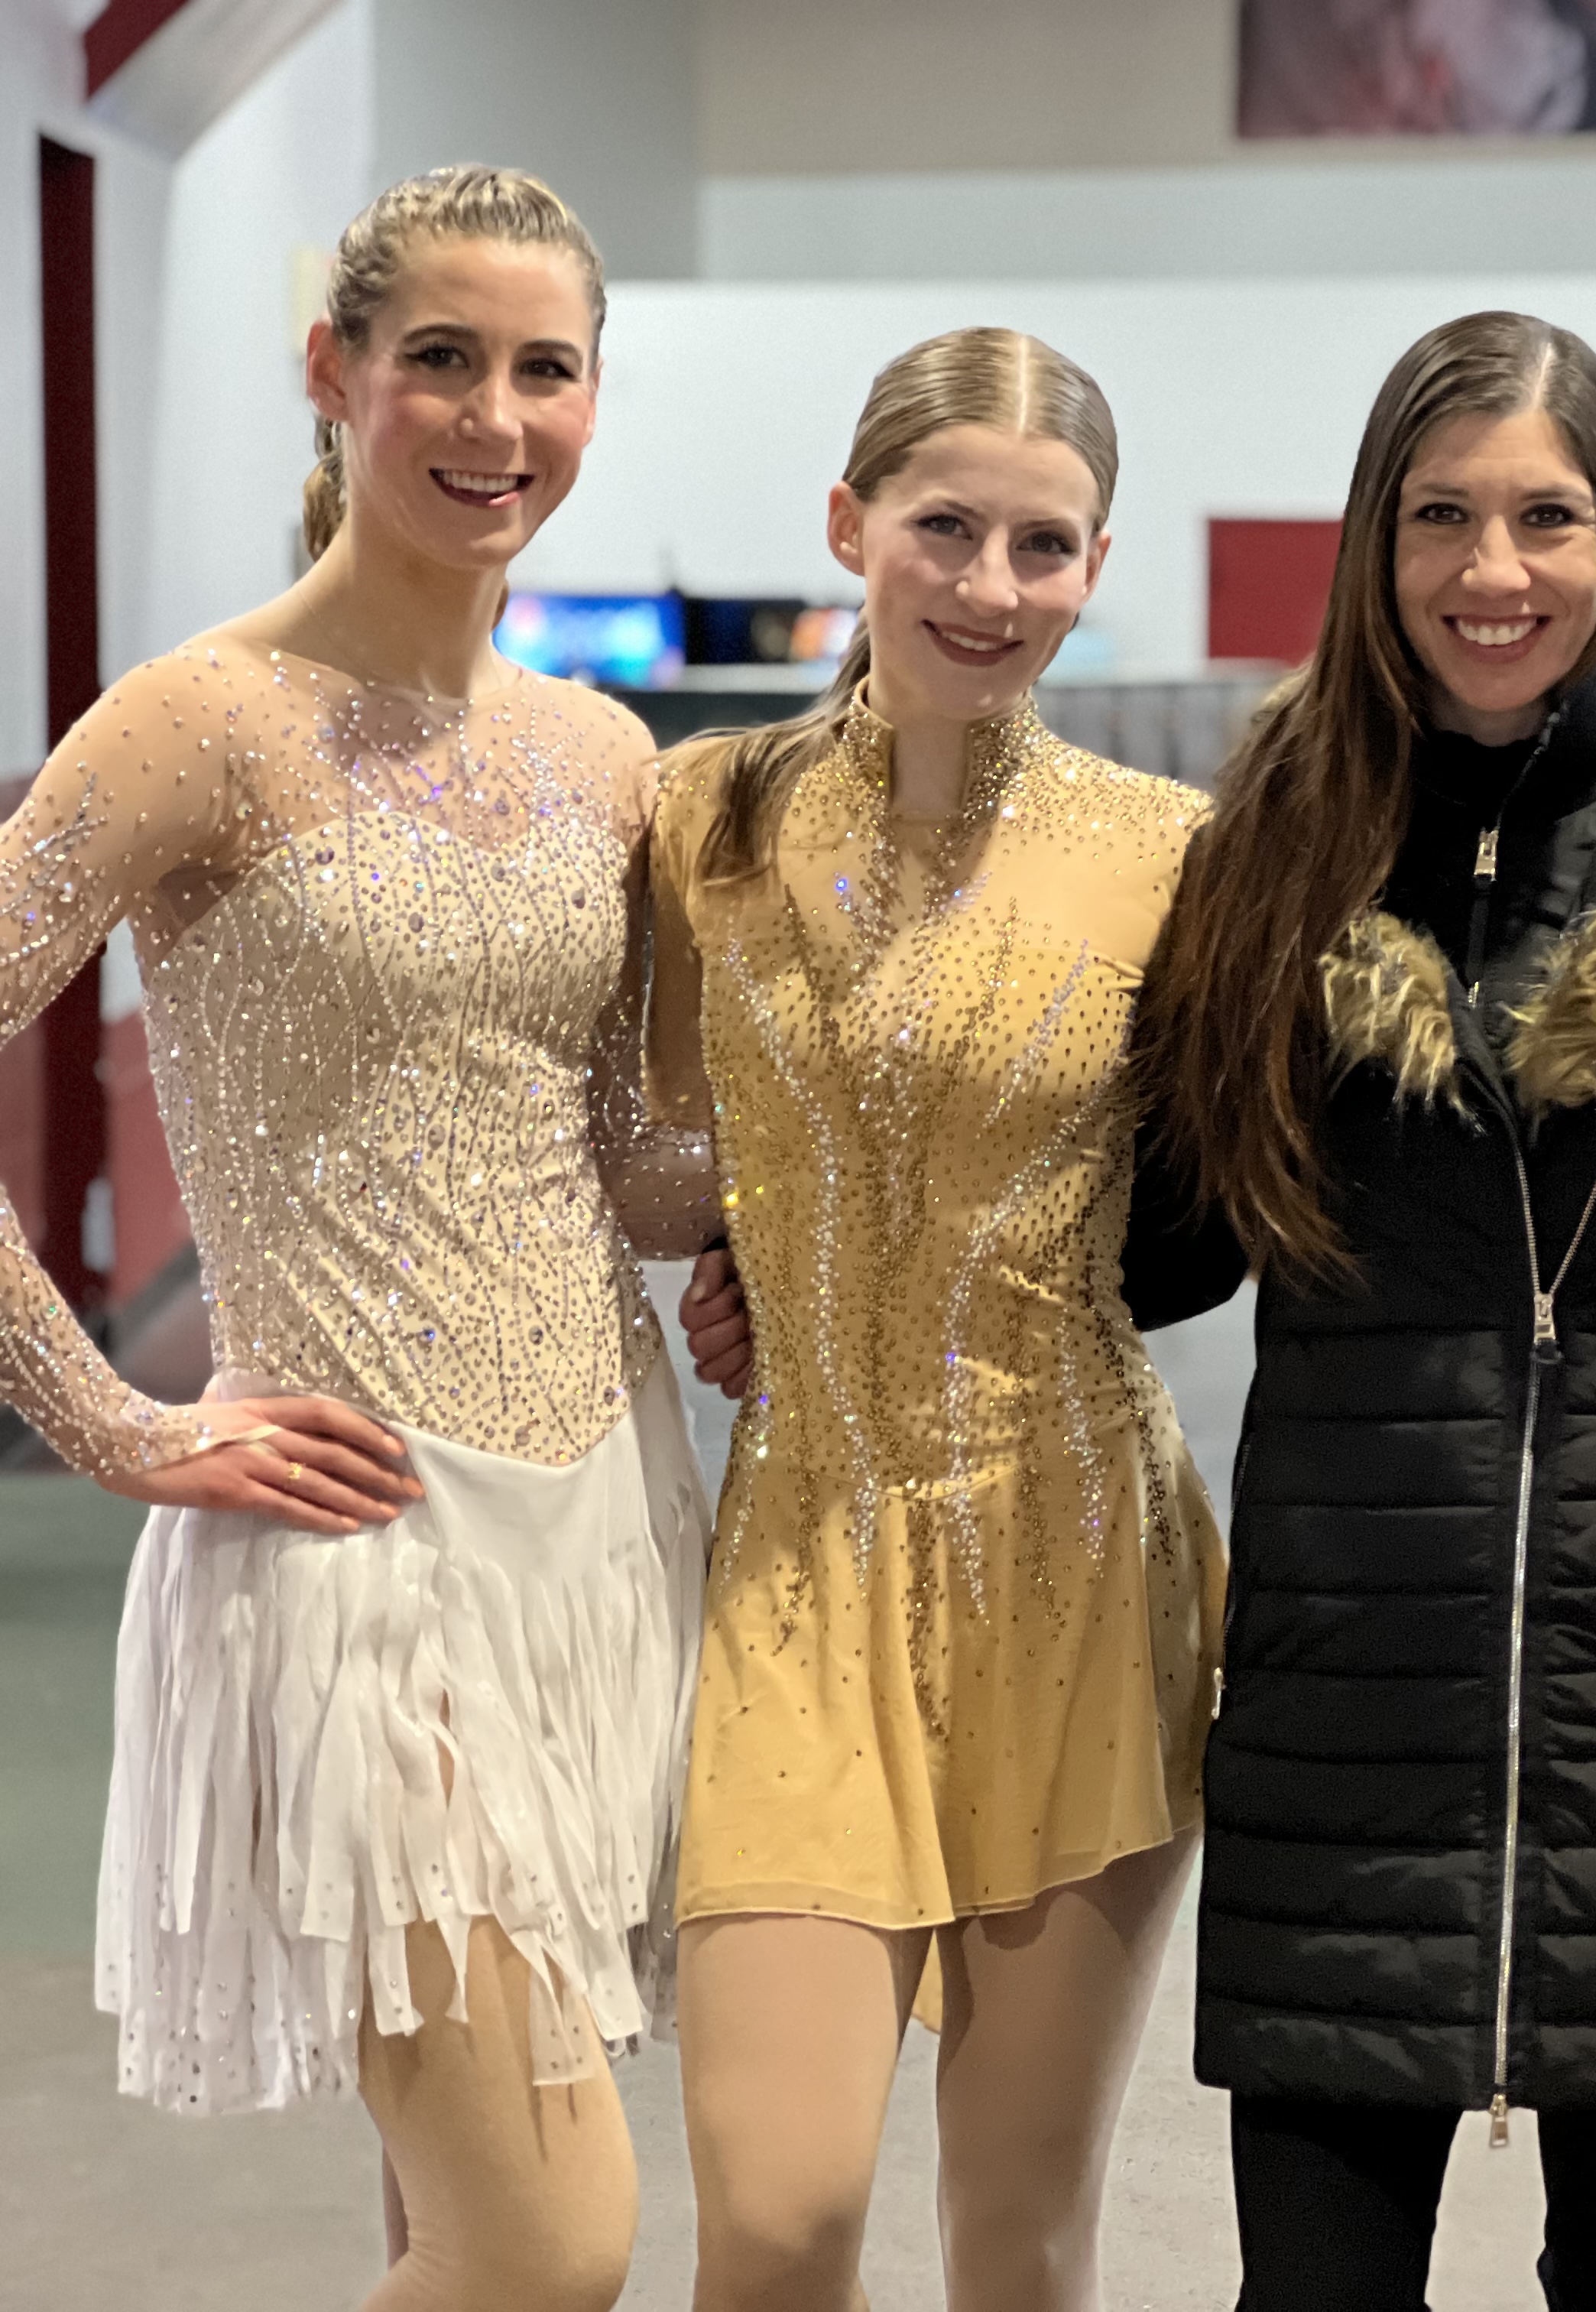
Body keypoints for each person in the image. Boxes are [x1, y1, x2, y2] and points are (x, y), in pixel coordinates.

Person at [1126, 310, 1596, 2311]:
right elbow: (1163, 1251)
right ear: (1376, 541)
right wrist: (802, 1229)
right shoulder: (1273, 846)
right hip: (1341, 1683)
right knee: (1310, 2289)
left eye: (1544, 516)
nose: (1494, 572)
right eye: (1442, 516)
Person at [0, 167, 715, 2310]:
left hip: (603, 1531)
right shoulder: (197, 723)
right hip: (356, 1538)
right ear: (334, 374)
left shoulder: (608, 757)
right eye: (441, 360)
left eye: (545, 368)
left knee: (455, 2214)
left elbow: (637, 1160)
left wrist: (812, 1215)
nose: (495, 418)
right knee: (550, 2244)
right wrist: (103, 1417)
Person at [646, 326, 1221, 2312]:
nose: (992, 585)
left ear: (1094, 560)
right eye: (946, 527)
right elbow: (644, 1142)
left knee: (1017, 2239)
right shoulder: (700, 823)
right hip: (801, 1557)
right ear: (850, 526)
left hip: (1076, 1566)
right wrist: (748, 1256)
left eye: (1042, 545)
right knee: (780, 2222)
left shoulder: (1170, 856)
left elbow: (1233, 1204)